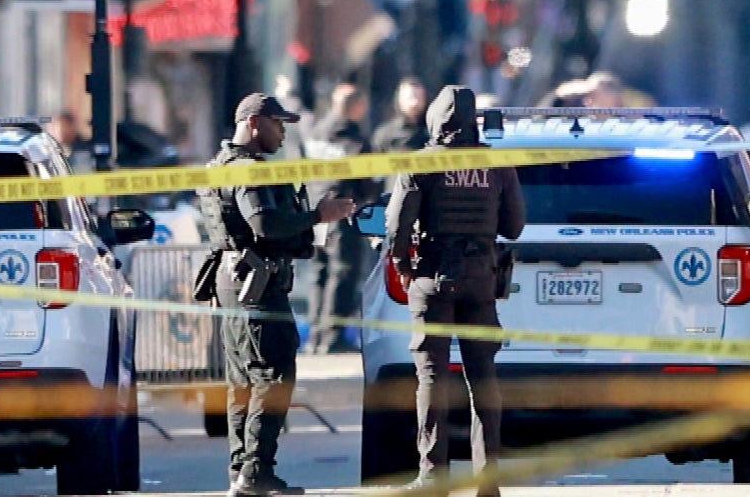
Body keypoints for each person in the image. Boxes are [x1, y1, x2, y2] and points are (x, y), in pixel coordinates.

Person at [200, 92, 357, 496]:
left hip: (235, 281)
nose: (283, 133)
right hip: (256, 286)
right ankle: (255, 471)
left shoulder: (221, 166)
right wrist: (318, 216)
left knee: (242, 380)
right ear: (254, 123)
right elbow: (266, 225)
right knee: (273, 375)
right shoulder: (248, 171)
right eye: (277, 124)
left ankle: (242, 471)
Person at [386, 85, 526, 493]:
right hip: (481, 279)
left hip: (433, 277)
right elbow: (514, 227)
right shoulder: (498, 163)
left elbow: (397, 227)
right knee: (483, 379)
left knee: (432, 378)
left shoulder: (422, 163)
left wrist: (403, 266)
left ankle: (433, 476)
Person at [302, 82, 375, 354]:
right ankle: (332, 336)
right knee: (341, 274)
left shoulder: (317, 132)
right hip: (342, 214)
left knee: (318, 274)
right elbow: (366, 181)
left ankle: (315, 336)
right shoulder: (354, 140)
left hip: (315, 211)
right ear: (355, 106)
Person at [370, 78, 430, 154]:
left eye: (419, 98)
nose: (415, 103)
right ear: (399, 100)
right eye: (410, 98)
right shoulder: (385, 134)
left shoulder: (434, 131)